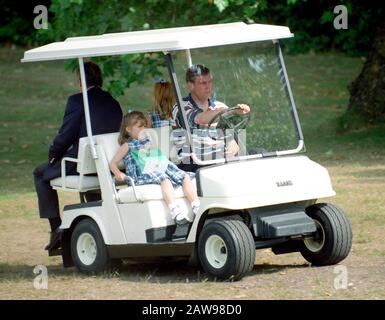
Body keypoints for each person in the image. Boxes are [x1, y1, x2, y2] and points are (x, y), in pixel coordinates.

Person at [33, 61, 123, 251]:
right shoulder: (113, 102)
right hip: (107, 165)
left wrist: (53, 154)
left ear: (81, 81)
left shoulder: (77, 100)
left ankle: (56, 228)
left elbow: (66, 135)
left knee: (40, 173)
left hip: (83, 163)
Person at [110, 111, 200, 225]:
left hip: (155, 167)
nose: (144, 129)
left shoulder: (148, 141)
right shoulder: (127, 145)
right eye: (140, 127)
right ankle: (175, 211)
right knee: (164, 179)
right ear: (128, 129)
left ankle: (196, 205)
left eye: (144, 126)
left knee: (184, 176)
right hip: (141, 173)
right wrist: (118, 173)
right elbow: (113, 163)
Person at [172, 64, 250, 171]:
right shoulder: (180, 107)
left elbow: (230, 133)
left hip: (218, 158)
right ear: (190, 85)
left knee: (259, 153)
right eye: (203, 83)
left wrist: (233, 144)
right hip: (192, 161)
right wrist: (231, 111)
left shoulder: (220, 106)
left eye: (209, 82)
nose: (208, 86)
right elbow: (200, 118)